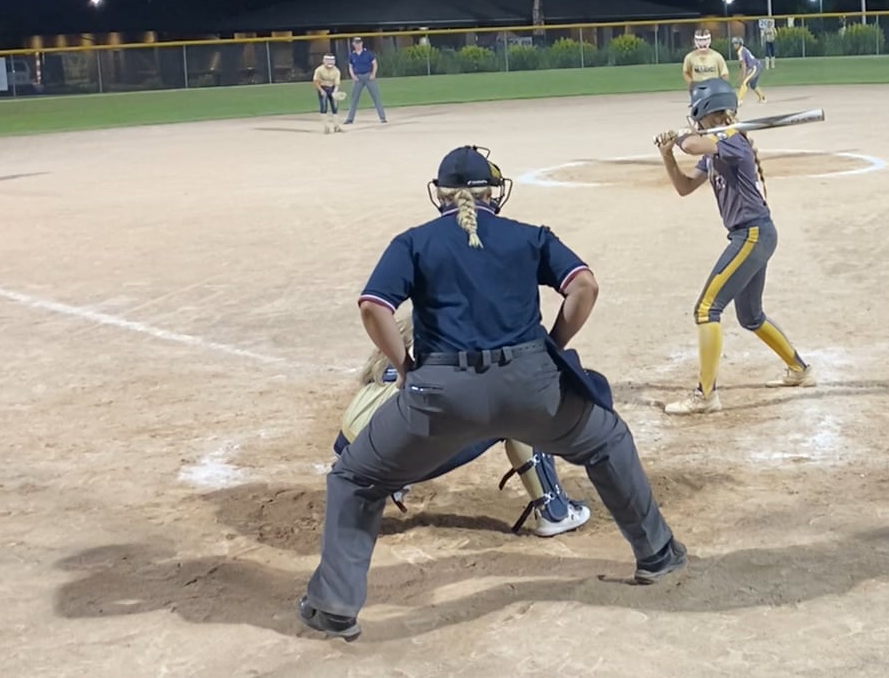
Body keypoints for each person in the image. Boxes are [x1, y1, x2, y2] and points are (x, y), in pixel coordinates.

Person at [298, 146, 685, 640]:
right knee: (606, 439)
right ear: (493, 194)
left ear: (440, 195)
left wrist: (405, 366)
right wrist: (552, 345)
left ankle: (334, 606)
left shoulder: (414, 242)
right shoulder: (529, 235)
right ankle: (656, 553)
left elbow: (374, 307)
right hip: (533, 388)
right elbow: (584, 286)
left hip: (443, 396)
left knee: (355, 477)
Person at [330, 304, 590, 537]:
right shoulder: (475, 338)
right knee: (522, 410)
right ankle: (555, 512)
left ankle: (371, 485)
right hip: (389, 458)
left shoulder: (421, 321)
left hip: (349, 452)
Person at [654, 80, 815, 416]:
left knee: (706, 309)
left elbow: (693, 145)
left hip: (752, 234)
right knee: (750, 316)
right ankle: (799, 370)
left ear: (704, 111)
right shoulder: (718, 145)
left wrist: (681, 137)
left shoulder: (731, 141)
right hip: (753, 235)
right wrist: (667, 154)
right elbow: (685, 187)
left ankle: (706, 396)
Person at [343, 38, 387, 125]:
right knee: (354, 99)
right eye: (356, 43)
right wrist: (353, 76)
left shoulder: (368, 53)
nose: (358, 45)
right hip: (358, 78)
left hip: (368, 76)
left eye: (359, 43)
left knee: (376, 97)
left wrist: (373, 74)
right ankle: (350, 118)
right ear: (353, 44)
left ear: (362, 43)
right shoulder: (352, 55)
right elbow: (350, 67)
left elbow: (375, 63)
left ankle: (382, 117)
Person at [681, 29, 730, 94]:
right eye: (700, 40)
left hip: (713, 89)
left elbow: (725, 74)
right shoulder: (690, 57)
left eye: (705, 40)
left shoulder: (717, 56)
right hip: (698, 89)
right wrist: (691, 83)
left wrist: (721, 86)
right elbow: (685, 72)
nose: (702, 43)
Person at [311, 54, 345, 134]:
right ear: (324, 61)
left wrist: (335, 91)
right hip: (322, 87)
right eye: (328, 60)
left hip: (332, 88)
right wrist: (321, 90)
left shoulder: (336, 71)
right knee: (324, 107)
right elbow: (316, 81)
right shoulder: (319, 70)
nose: (330, 62)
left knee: (335, 108)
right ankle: (326, 127)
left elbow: (337, 83)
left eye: (331, 60)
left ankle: (336, 126)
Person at [734, 39, 767, 104]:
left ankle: (739, 100)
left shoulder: (740, 51)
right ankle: (762, 98)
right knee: (753, 84)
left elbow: (744, 65)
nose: (735, 45)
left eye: (736, 43)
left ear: (740, 44)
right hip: (757, 66)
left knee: (744, 82)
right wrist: (741, 75)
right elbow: (742, 66)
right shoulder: (743, 49)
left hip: (754, 67)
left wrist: (743, 77)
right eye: (734, 43)